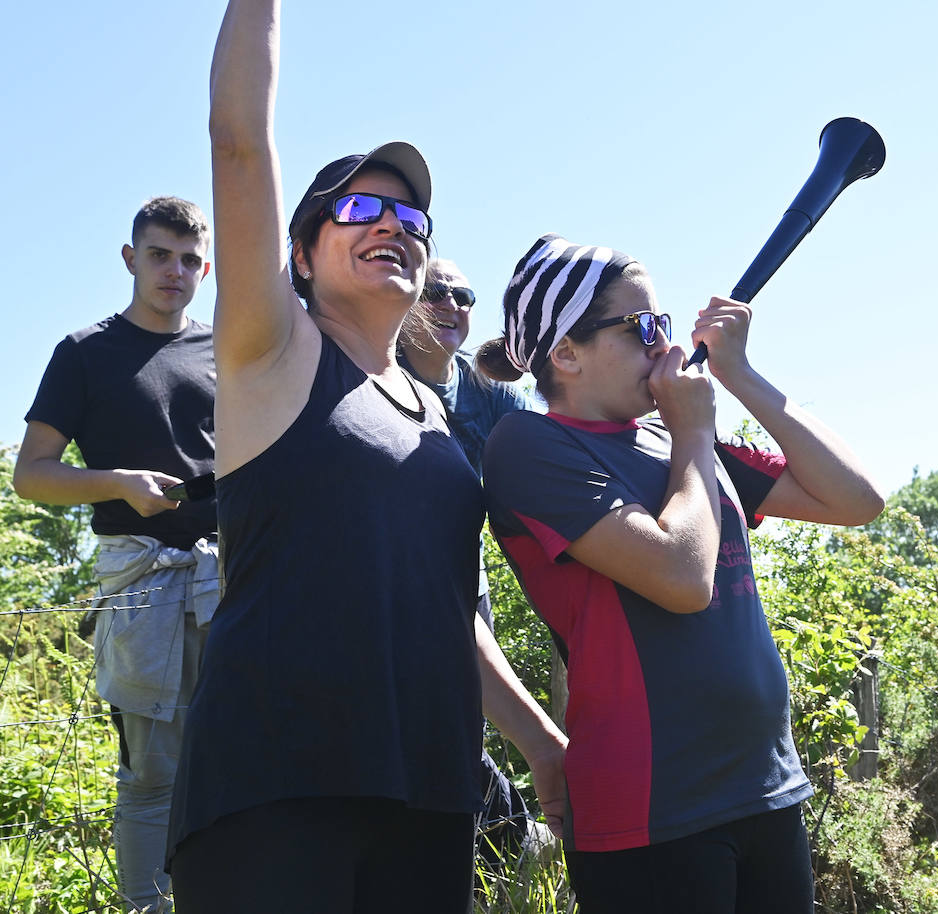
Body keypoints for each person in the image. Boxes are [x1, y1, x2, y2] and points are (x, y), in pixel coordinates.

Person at [165, 3, 567, 911]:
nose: (392, 223)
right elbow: (238, 142)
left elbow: (447, 607)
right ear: (301, 255)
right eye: (358, 209)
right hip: (276, 789)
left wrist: (542, 744)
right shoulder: (274, 354)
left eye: (410, 215)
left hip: (428, 794)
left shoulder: (437, 415)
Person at [478, 234, 886, 914]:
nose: (665, 348)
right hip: (651, 812)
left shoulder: (676, 440)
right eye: (641, 329)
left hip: (765, 785)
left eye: (664, 327)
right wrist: (695, 433)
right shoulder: (530, 446)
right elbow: (682, 577)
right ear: (566, 353)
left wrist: (742, 377)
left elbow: (856, 499)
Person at [13, 196, 217, 913]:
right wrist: (117, 485)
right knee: (152, 774)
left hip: (231, 577)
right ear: (130, 259)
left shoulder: (227, 351)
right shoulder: (84, 352)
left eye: (191, 259)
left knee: (238, 760)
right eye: (160, 254)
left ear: (207, 267)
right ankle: (146, 907)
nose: (175, 271)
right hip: (141, 582)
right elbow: (31, 474)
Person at [397, 260, 553, 867]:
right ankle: (508, 849)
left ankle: (490, 861)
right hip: (387, 580)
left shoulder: (493, 395)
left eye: (463, 295)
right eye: (436, 292)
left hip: (464, 580)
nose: (452, 304)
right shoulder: (372, 376)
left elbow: (540, 474)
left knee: (462, 727)